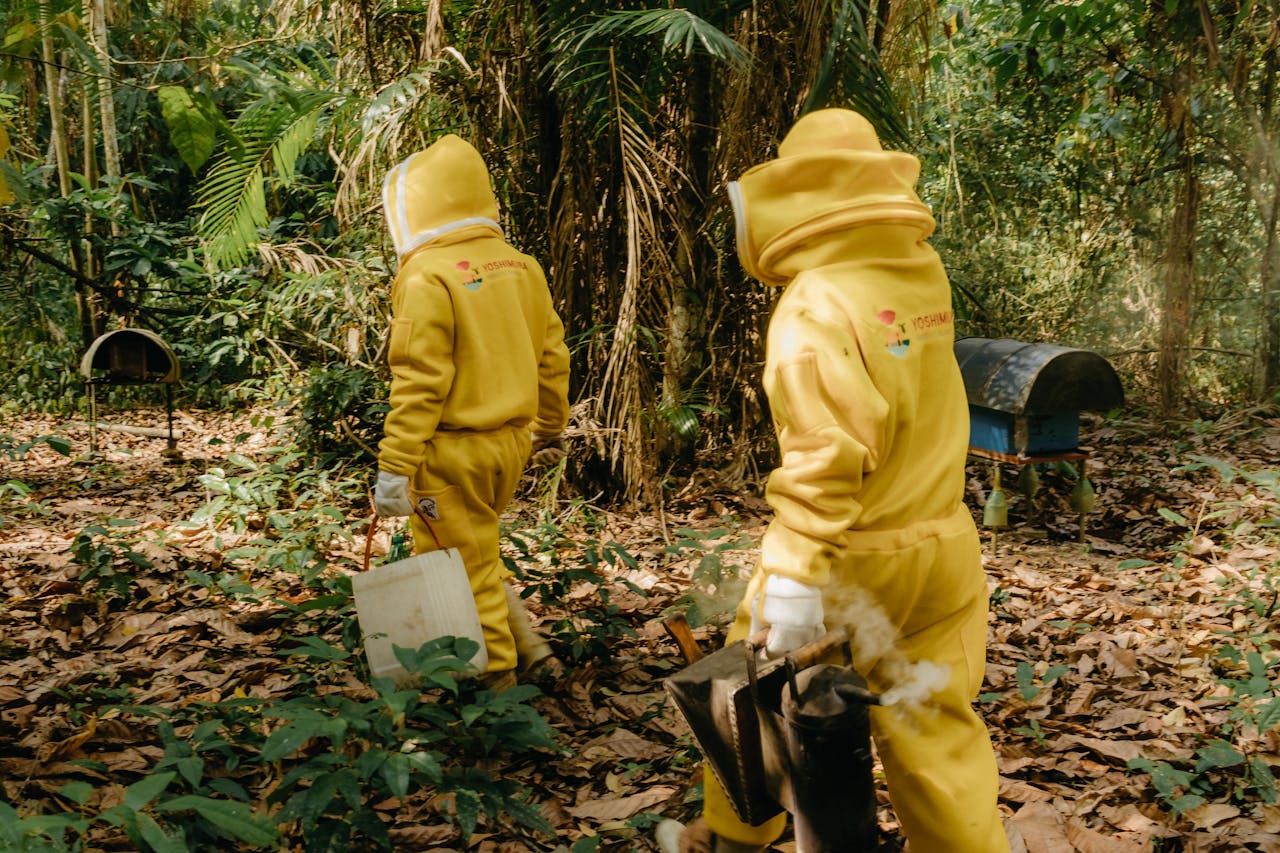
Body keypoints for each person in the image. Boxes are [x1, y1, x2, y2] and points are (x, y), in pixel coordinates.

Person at [661, 109, 1008, 853]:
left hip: (852, 557)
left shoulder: (813, 306)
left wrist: (789, 585)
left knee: (743, 692)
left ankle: (730, 841)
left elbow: (826, 463)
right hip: (945, 544)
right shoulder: (920, 272)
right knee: (934, 722)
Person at [372, 133, 571, 692]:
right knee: (479, 552)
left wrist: (395, 465)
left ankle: (500, 691)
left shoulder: (426, 275)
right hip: (511, 445)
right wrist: (550, 427)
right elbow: (552, 358)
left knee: (464, 569)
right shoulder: (522, 265)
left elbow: (420, 381)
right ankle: (532, 651)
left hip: (451, 454)